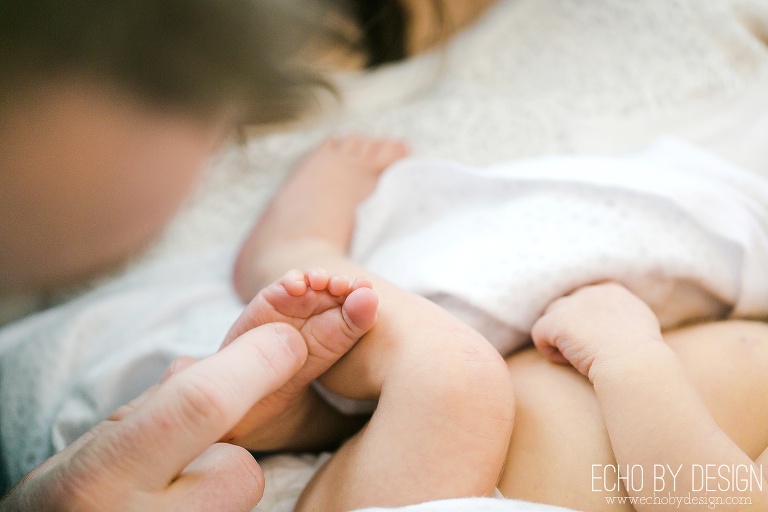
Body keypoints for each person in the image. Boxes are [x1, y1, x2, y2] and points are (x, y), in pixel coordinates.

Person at [234, 134, 768, 511]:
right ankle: (300, 423)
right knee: (438, 387)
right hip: (428, 460)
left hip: (471, 494)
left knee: (455, 381)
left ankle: (293, 248)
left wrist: (629, 355)